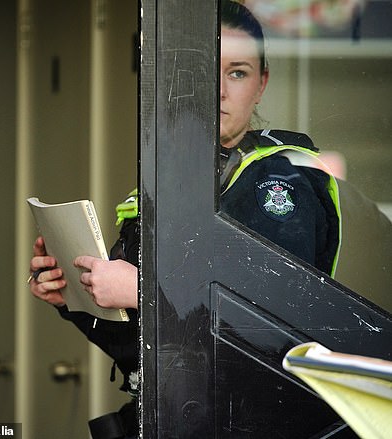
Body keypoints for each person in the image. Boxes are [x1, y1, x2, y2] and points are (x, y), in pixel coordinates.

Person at [29, 0, 391, 437]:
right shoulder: (176, 183)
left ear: (261, 84)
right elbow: (143, 350)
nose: (219, 89)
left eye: (237, 72)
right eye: (205, 68)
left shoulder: (279, 181)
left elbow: (273, 330)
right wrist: (74, 295)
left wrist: (143, 291)